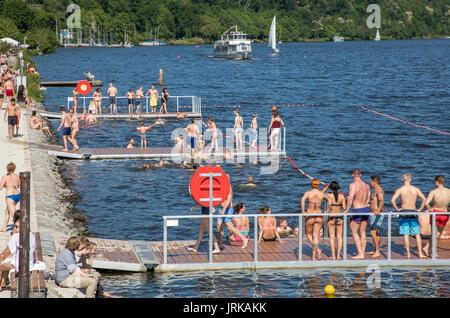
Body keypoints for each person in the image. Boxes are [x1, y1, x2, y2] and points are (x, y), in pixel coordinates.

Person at [0, 215, 46, 291]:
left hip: (19, 265)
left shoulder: (15, 237)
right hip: (29, 263)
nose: (16, 229)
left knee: (2, 263)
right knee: (6, 259)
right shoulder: (32, 235)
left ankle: (1, 284)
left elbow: (7, 254)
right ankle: (3, 282)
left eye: (17, 227)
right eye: (15, 227)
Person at [391, 173, 426, 259]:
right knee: (417, 234)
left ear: (402, 180)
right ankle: (420, 254)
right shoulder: (415, 189)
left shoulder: (400, 189)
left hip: (404, 212)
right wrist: (420, 209)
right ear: (410, 180)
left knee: (406, 234)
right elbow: (424, 199)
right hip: (413, 212)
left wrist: (397, 209)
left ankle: (408, 254)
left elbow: (392, 201)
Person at [344, 168, 371, 260]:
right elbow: (368, 199)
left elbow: (350, 198)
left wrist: (347, 210)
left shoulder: (353, 185)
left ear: (352, 175)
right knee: (363, 232)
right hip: (366, 209)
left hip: (357, 210)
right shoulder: (367, 186)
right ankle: (362, 253)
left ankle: (360, 253)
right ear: (361, 175)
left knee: (354, 232)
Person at [217, 181, 248, 249]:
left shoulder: (228, 187)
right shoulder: (220, 187)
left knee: (230, 226)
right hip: (221, 209)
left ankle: (244, 239)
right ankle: (220, 244)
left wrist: (224, 209)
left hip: (227, 210)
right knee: (219, 225)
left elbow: (229, 199)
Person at [301, 179, 327, 260]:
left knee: (308, 234)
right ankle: (316, 254)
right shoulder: (321, 194)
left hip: (310, 216)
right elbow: (329, 200)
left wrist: (303, 210)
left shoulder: (308, 193)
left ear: (311, 185)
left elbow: (302, 200)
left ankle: (317, 250)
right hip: (319, 216)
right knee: (316, 235)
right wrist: (327, 211)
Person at [425, 175, 450, 258]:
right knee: (438, 233)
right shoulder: (448, 191)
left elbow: (426, 203)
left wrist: (429, 209)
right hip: (445, 213)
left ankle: (434, 252)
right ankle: (427, 247)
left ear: (436, 182)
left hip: (435, 212)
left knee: (434, 233)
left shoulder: (434, 191)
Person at [325, 181, 346, 260]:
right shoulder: (342, 196)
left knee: (332, 237)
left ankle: (333, 255)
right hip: (340, 217)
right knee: (340, 237)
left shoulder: (328, 195)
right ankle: (338, 256)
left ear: (331, 187)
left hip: (331, 218)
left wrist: (326, 187)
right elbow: (344, 208)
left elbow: (320, 194)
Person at [0, 163, 20, 232]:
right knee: (7, 211)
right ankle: (4, 228)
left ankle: (17, 229)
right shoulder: (17, 176)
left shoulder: (5, 177)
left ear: (7, 168)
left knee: (13, 215)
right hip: (17, 195)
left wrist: (7, 185)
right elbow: (19, 186)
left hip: (10, 196)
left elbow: (1, 187)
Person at [368, 175, 384, 258]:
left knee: (372, 232)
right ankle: (375, 249)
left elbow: (381, 200)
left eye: (370, 182)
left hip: (376, 214)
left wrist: (378, 209)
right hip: (372, 214)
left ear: (374, 182)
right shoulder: (374, 190)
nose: (370, 183)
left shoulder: (379, 190)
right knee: (376, 232)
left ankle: (377, 251)